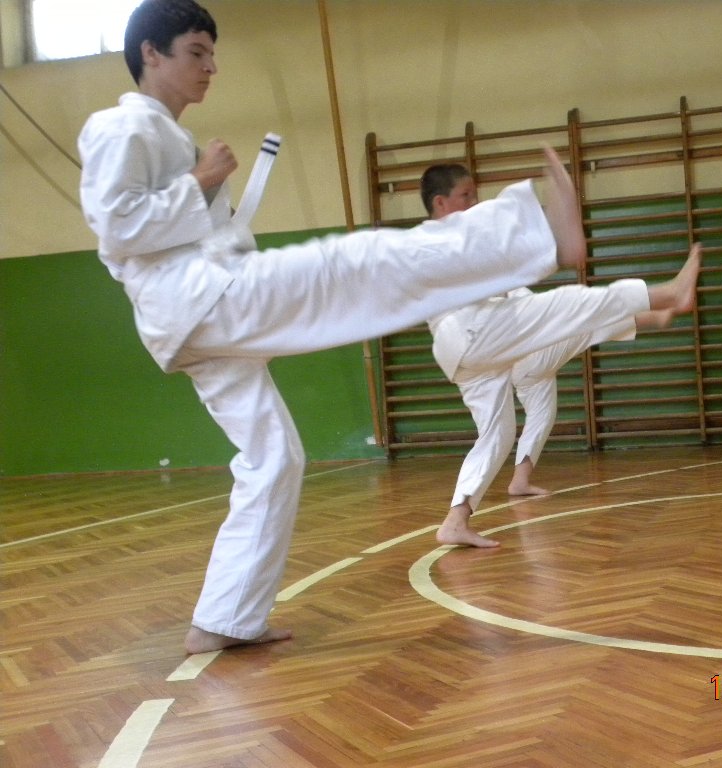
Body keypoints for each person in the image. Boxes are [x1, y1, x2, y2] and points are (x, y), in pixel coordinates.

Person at [77, 0, 586, 655]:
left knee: (274, 459)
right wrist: (199, 182)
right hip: (199, 301)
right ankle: (540, 237)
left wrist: (208, 196)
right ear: (151, 52)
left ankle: (223, 620)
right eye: (197, 52)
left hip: (196, 309)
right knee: (359, 261)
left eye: (212, 54)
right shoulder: (120, 125)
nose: (211, 67)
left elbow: (186, 234)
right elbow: (118, 228)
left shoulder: (173, 140)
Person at [420, 164, 702, 548]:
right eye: (465, 195)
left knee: (498, 432)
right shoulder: (445, 236)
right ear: (440, 203)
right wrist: (554, 227)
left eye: (474, 193)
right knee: (572, 306)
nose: (474, 201)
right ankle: (668, 295)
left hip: (463, 351)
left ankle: (456, 519)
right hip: (472, 330)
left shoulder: (444, 240)